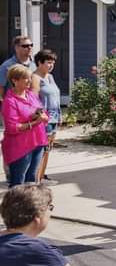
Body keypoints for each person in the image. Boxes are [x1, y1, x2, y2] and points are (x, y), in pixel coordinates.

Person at [2, 65, 49, 186]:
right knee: (18, 184)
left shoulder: (31, 95)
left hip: (38, 142)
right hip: (20, 147)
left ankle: (30, 205)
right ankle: (15, 205)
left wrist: (41, 116)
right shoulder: (10, 101)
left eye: (29, 78)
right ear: (15, 80)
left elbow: (42, 111)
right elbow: (12, 128)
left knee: (32, 181)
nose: (29, 81)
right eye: (26, 78)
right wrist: (35, 122)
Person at [32, 49, 62, 185]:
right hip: (44, 120)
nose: (51, 65)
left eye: (53, 63)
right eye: (48, 62)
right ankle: (36, 181)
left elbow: (55, 96)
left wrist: (60, 116)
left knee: (48, 149)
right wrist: (40, 116)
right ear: (39, 62)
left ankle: (42, 177)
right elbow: (33, 100)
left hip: (54, 118)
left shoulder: (50, 77)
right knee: (41, 150)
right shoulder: (35, 78)